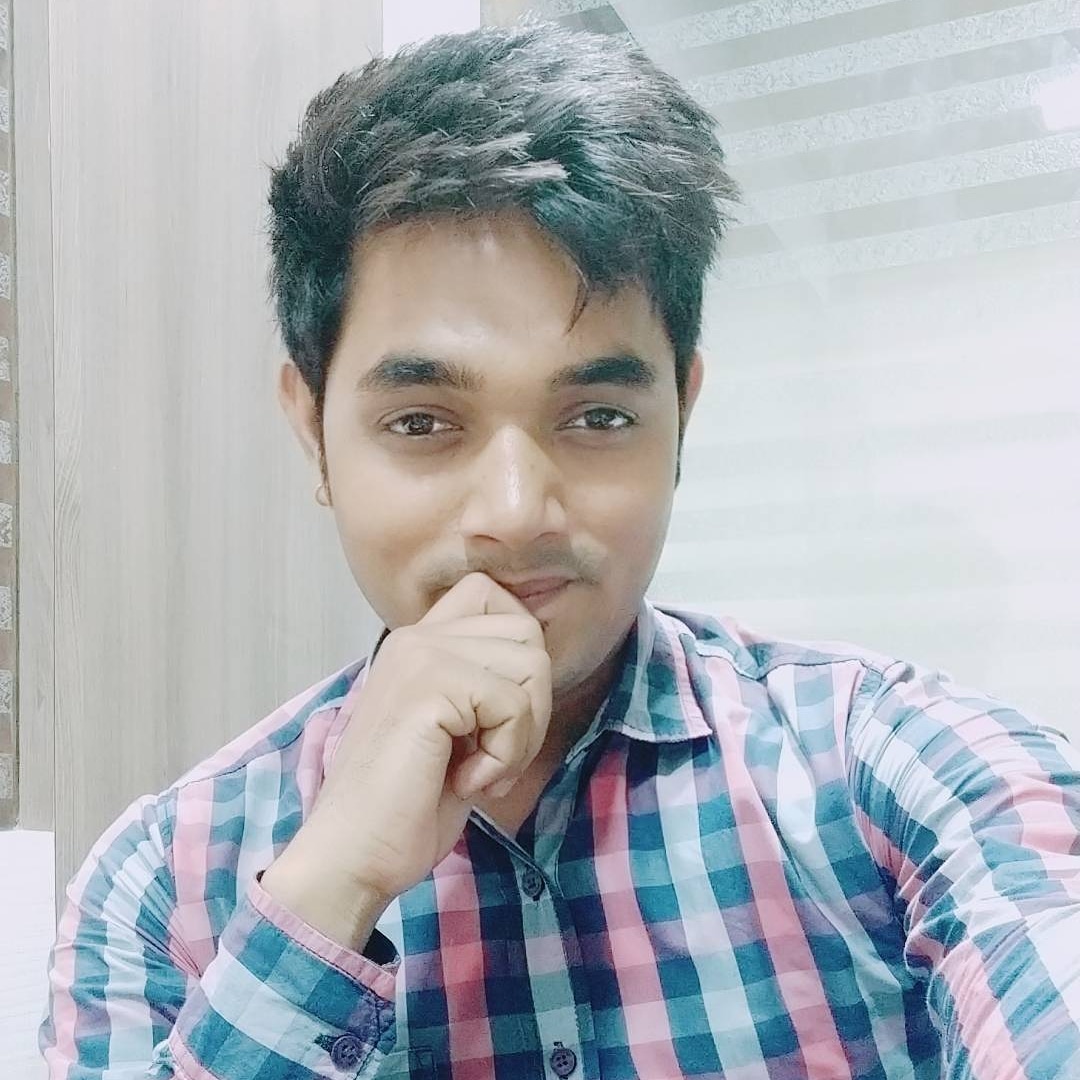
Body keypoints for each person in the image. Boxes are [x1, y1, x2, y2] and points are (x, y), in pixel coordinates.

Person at [39, 17, 1080, 1080]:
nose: (515, 511)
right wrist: (328, 889)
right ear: (313, 432)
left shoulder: (897, 770)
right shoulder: (160, 886)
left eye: (598, 418)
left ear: (683, 416)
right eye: (422, 422)